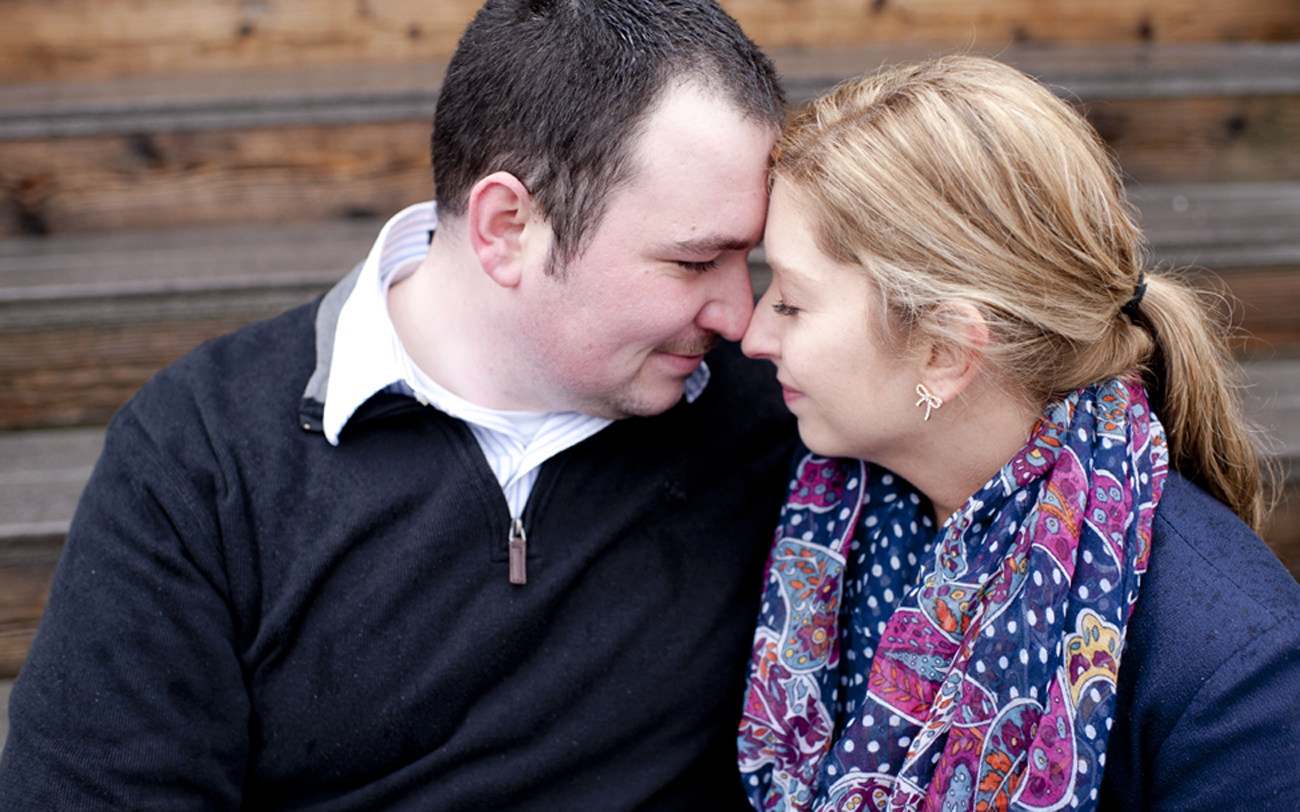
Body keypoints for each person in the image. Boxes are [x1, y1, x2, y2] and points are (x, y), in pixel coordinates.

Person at [0, 1, 798, 808]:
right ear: (507, 227)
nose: (744, 317)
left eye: (751, 258)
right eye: (695, 261)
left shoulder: (784, 421)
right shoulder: (202, 456)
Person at [736, 55, 1300, 811]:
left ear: (944, 351)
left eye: (791, 303)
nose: (752, 335)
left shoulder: (1234, 679)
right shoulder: (828, 514)